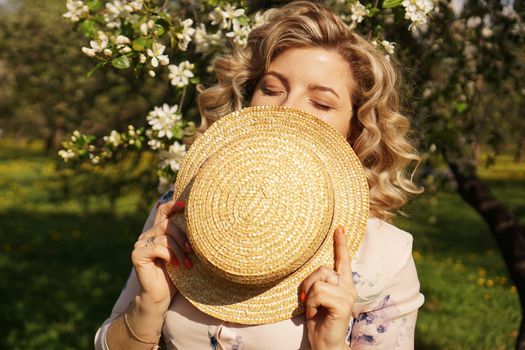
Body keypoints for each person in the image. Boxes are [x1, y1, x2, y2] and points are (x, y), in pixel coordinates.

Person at [95, 1, 424, 349]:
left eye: (322, 103)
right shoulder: (179, 209)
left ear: (356, 130)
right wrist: (150, 304)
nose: (288, 109)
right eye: (271, 89)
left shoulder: (384, 257)